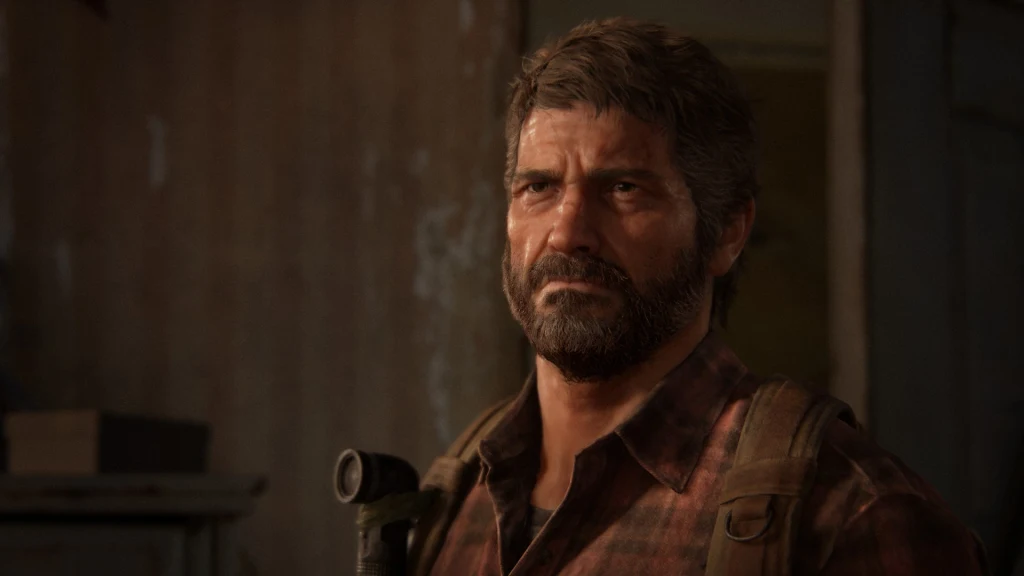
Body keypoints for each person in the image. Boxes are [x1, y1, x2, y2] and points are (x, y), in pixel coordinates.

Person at [426, 17, 986, 575]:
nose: (567, 232)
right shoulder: (450, 498)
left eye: (623, 188)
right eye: (538, 187)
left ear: (726, 233)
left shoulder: (850, 511)